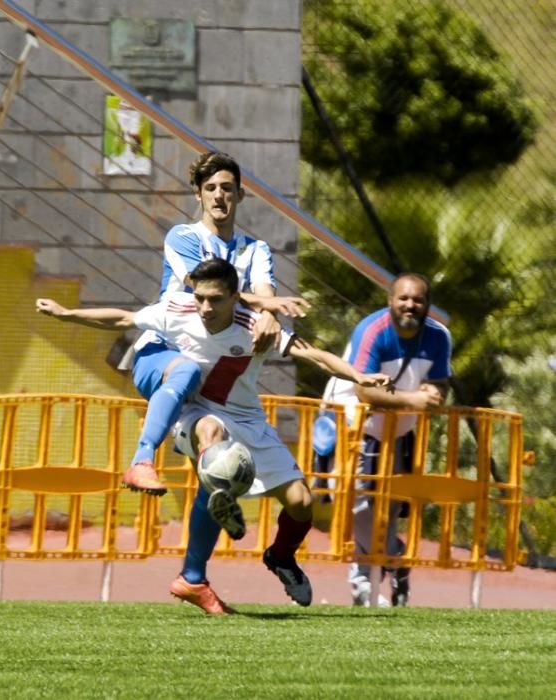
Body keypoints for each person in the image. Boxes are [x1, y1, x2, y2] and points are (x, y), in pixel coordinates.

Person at [36, 258, 392, 614]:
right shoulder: (179, 309)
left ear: (236, 297)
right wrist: (66, 313)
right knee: (210, 432)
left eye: (216, 299)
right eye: (200, 297)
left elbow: (313, 355)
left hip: (248, 418)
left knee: (301, 504)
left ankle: (281, 558)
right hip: (197, 412)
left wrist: (359, 377)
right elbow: (123, 318)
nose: (205, 307)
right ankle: (223, 492)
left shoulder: (255, 327)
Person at [113, 151, 310, 495]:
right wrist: (267, 305)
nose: (219, 195)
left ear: (240, 195)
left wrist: (269, 315)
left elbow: (265, 290)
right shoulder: (183, 237)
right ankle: (141, 461)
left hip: (215, 373)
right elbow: (208, 289)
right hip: (163, 353)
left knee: (214, 474)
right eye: (211, 187)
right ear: (198, 194)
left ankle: (210, 529)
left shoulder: (256, 249)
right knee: (185, 370)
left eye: (228, 188)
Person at [317, 272, 452, 607]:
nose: (410, 305)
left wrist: (435, 393)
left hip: (398, 428)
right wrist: (414, 401)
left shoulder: (439, 337)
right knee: (350, 497)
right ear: (390, 301)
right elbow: (364, 390)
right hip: (354, 423)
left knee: (388, 503)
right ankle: (389, 563)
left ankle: (370, 580)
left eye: (418, 300)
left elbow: (441, 383)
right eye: (403, 298)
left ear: (427, 305)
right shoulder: (372, 331)